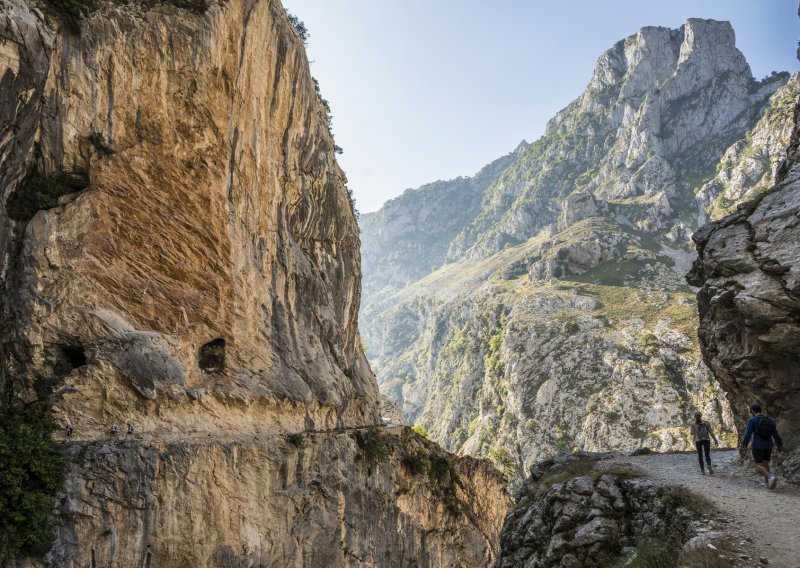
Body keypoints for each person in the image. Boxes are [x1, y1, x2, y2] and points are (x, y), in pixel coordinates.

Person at [741, 403, 783, 489]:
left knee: (758, 465)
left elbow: (747, 434)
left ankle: (770, 477)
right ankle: (767, 483)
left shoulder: (752, 420)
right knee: (765, 463)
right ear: (760, 410)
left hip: (757, 445)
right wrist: (779, 445)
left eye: (751, 411)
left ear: (752, 411)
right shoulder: (770, 420)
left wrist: (744, 444)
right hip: (768, 446)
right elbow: (776, 434)